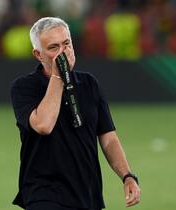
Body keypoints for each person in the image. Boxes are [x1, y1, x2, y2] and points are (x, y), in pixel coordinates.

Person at [10, 17, 141, 210]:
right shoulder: (24, 87)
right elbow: (44, 125)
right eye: (54, 47)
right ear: (38, 54)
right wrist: (58, 75)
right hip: (44, 194)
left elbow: (108, 137)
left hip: (87, 193)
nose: (63, 51)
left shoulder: (89, 83)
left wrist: (127, 176)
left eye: (66, 43)